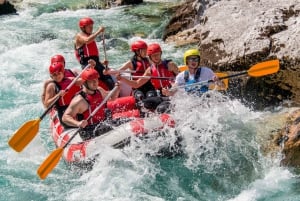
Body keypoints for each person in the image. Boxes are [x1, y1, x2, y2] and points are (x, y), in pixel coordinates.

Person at [117, 43, 179, 113]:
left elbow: (181, 80)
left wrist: (171, 91)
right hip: (160, 96)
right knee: (142, 104)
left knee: (161, 108)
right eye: (153, 55)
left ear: (161, 54)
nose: (156, 57)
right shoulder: (150, 70)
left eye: (157, 54)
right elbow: (137, 84)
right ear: (150, 57)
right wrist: (122, 79)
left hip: (172, 93)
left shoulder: (170, 65)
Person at [62, 68, 121, 141]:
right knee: (116, 126)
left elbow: (112, 98)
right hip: (89, 130)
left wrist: (117, 88)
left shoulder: (99, 90)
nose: (95, 83)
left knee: (126, 121)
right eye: (92, 81)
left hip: (102, 124)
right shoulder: (79, 100)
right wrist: (78, 123)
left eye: (96, 80)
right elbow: (65, 117)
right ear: (84, 82)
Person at [74, 17, 115, 90]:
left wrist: (101, 63)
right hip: (87, 64)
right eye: (89, 27)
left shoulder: (91, 36)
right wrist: (99, 31)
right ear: (83, 28)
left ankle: (113, 95)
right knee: (91, 79)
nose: (91, 28)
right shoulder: (79, 36)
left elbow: (93, 56)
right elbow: (87, 40)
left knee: (107, 77)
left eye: (92, 26)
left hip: (96, 63)